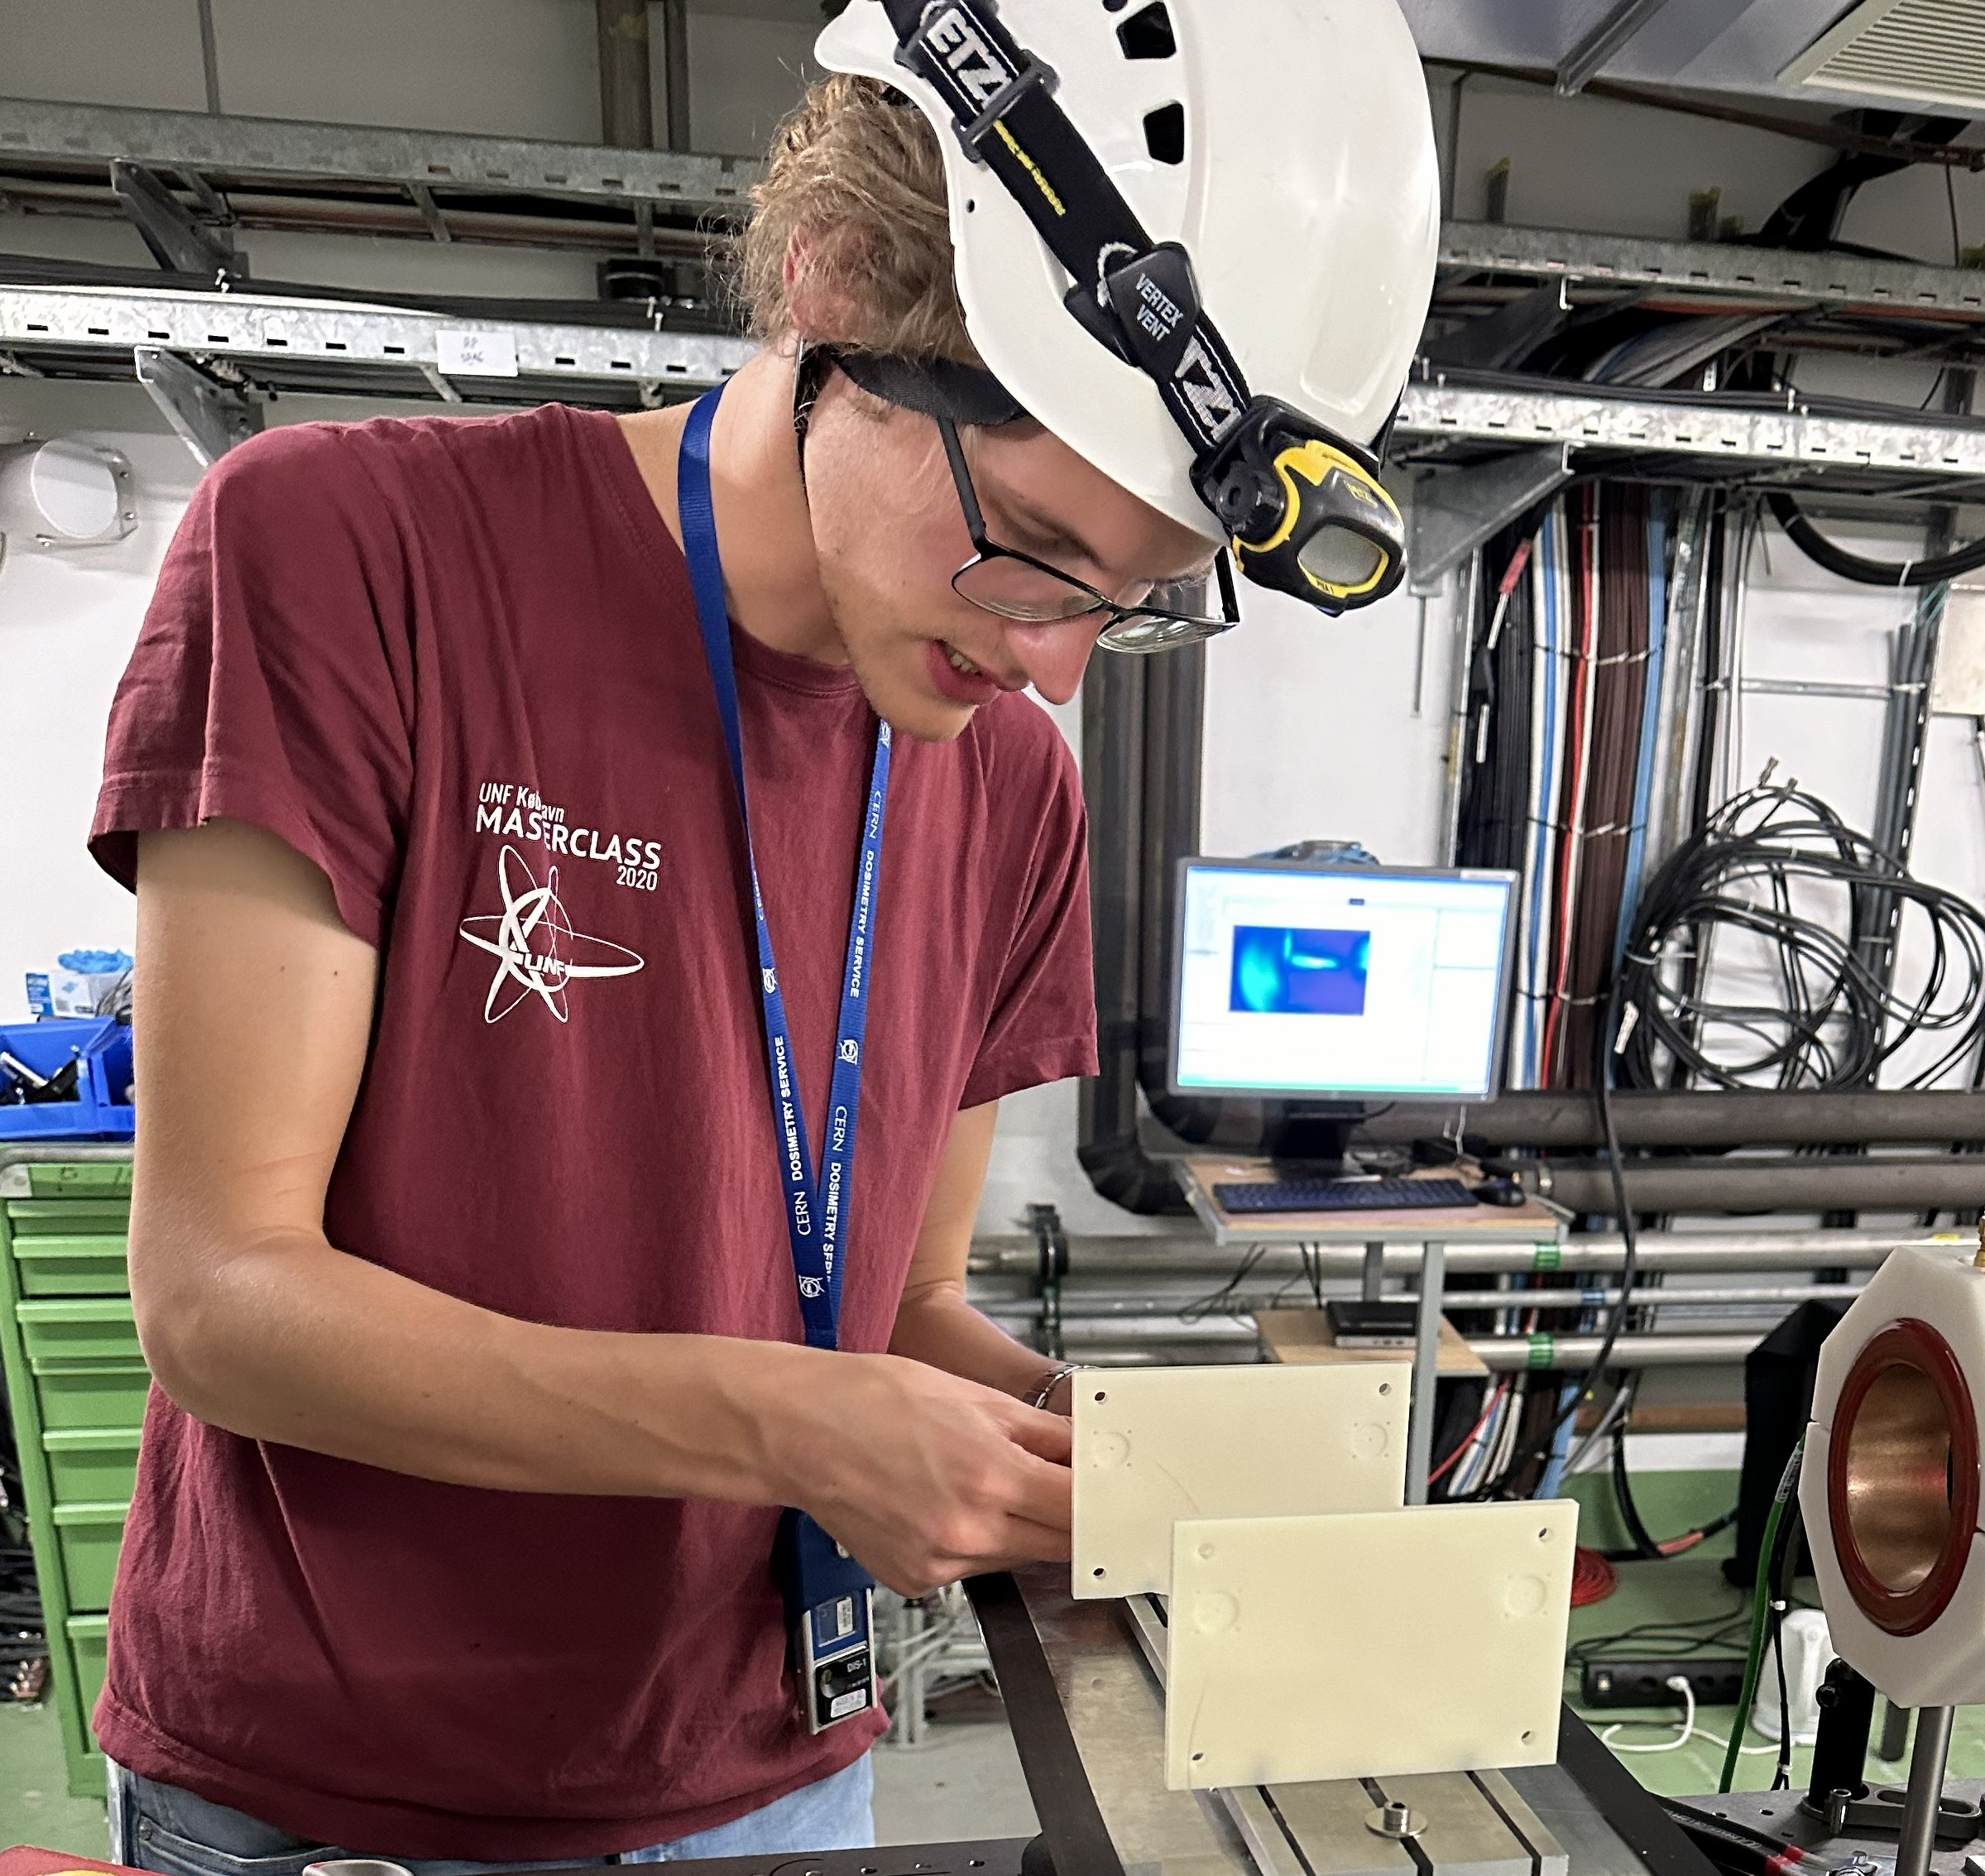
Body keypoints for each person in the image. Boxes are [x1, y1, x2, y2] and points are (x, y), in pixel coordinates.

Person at [83, 2, 1437, 1870]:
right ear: (832, 288)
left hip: (777, 1780)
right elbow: (224, 1303)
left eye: (1129, 602)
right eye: (1033, 544)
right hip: (340, 1796)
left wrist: (1129, 1454)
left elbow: (892, 1309)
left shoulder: (1011, 793)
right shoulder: (346, 556)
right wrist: (795, 1430)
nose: (1049, 661)